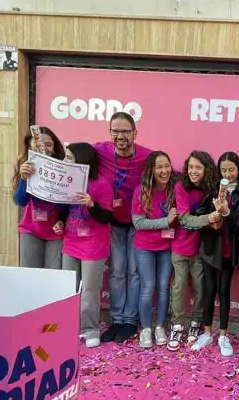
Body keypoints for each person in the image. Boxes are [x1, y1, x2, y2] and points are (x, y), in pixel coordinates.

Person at [97, 112, 151, 344]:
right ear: (110, 133)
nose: (120, 136)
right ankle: (117, 319)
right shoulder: (99, 150)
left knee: (135, 273)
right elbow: (71, 156)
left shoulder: (148, 156)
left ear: (135, 133)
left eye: (125, 131)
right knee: (117, 272)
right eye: (116, 131)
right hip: (113, 224)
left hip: (138, 225)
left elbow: (167, 173)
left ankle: (130, 320)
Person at [54, 142, 114, 348]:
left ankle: (90, 330)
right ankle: (69, 327)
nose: (65, 162)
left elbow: (107, 217)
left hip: (94, 245)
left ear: (82, 160)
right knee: (68, 288)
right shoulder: (67, 182)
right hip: (71, 241)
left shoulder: (102, 185)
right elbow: (64, 210)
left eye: (69, 158)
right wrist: (60, 221)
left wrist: (91, 204)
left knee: (89, 289)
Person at [192, 152, 239, 356]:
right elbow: (199, 216)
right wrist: (212, 218)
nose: (228, 174)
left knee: (224, 290)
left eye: (231, 169)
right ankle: (207, 332)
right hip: (209, 248)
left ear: (238, 170)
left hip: (228, 249)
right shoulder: (212, 191)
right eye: (223, 170)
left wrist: (226, 213)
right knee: (209, 289)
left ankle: (223, 335)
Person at [168, 150, 221, 351]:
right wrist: (209, 219)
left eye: (198, 167)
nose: (193, 171)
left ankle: (195, 322)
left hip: (201, 250)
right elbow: (184, 219)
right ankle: (177, 324)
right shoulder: (181, 186)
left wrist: (217, 219)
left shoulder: (212, 189)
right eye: (190, 167)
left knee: (200, 286)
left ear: (207, 169)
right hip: (181, 247)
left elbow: (220, 218)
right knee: (180, 286)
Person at [131, 151, 178, 349]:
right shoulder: (141, 191)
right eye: (159, 167)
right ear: (151, 170)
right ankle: (146, 329)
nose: (164, 170)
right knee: (148, 287)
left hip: (167, 247)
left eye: (167, 166)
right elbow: (138, 222)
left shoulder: (175, 190)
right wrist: (165, 221)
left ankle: (160, 326)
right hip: (145, 248)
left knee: (163, 287)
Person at [12, 126, 66, 270]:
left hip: (55, 232)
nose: (44, 148)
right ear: (30, 146)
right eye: (38, 144)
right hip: (31, 230)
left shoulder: (64, 168)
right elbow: (20, 201)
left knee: (53, 276)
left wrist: (62, 220)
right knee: (29, 275)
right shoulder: (25, 165)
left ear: (54, 147)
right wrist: (24, 179)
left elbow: (67, 203)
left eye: (48, 144)